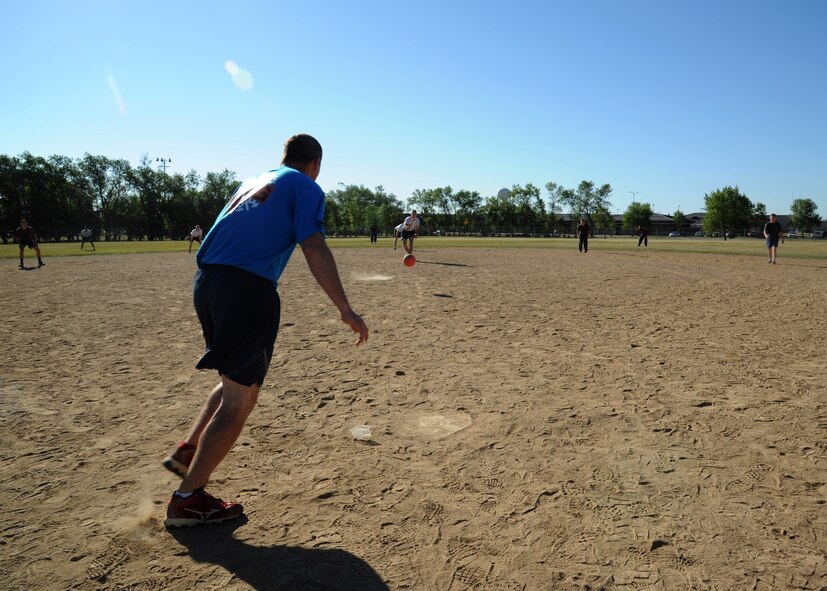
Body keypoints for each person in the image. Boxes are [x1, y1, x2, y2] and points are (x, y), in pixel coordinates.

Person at [162, 134, 369, 527]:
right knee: (240, 401)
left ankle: (189, 448)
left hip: (209, 283)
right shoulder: (305, 185)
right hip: (246, 289)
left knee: (232, 381)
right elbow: (314, 245)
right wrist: (345, 307)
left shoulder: (256, 180)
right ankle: (187, 499)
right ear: (316, 164)